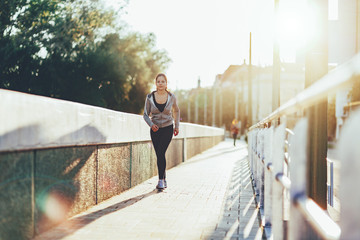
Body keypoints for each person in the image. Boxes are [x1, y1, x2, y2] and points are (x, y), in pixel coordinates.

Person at [143, 73, 180, 190]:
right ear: (155, 83)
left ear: (166, 83)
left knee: (160, 152)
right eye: (158, 81)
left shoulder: (171, 97)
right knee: (160, 154)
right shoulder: (149, 97)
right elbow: (145, 114)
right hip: (155, 129)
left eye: (163, 81)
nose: (160, 84)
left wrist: (177, 126)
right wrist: (151, 124)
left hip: (168, 128)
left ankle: (161, 181)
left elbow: (177, 111)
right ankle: (164, 179)